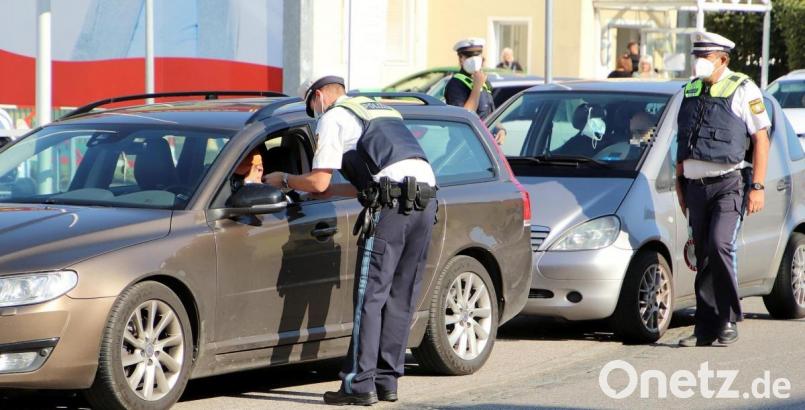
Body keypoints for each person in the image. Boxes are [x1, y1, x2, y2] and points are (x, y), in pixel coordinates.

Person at [263, 75, 438, 406]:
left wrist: (284, 179)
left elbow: (318, 181)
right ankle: (387, 382)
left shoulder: (332, 116)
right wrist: (315, 189)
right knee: (401, 295)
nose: (313, 116)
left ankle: (359, 385)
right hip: (425, 202)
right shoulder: (380, 111)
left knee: (370, 295)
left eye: (310, 108)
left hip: (391, 208)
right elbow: (358, 186)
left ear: (317, 97)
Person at [675, 32, 770, 347]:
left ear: (722, 60)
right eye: (697, 56)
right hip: (694, 187)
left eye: (707, 56)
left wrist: (757, 186)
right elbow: (682, 139)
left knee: (719, 245)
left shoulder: (744, 89)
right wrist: (679, 181)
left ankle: (727, 319)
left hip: (728, 184)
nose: (699, 62)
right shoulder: (689, 89)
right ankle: (704, 328)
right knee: (702, 255)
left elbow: (761, 139)